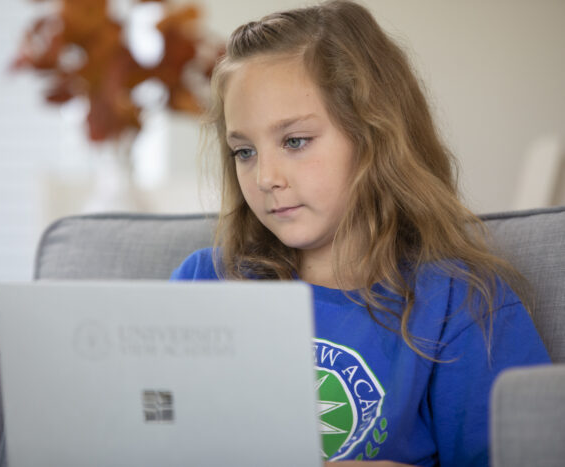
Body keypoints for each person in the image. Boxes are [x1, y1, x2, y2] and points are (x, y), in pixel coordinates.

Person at [170, 1, 551, 466]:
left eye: (294, 141)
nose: (265, 176)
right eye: (244, 151)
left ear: (374, 137)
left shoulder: (461, 305)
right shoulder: (205, 282)